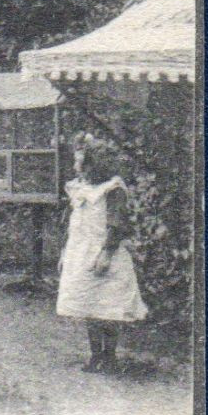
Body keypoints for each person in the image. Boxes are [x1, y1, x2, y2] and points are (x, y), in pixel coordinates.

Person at [57, 137, 148, 374]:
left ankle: (110, 356)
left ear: (93, 165)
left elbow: (116, 224)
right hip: (80, 252)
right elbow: (72, 223)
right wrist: (65, 251)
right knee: (89, 306)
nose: (76, 166)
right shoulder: (79, 189)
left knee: (109, 306)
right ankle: (95, 355)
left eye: (80, 162)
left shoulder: (112, 190)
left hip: (105, 253)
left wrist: (106, 253)